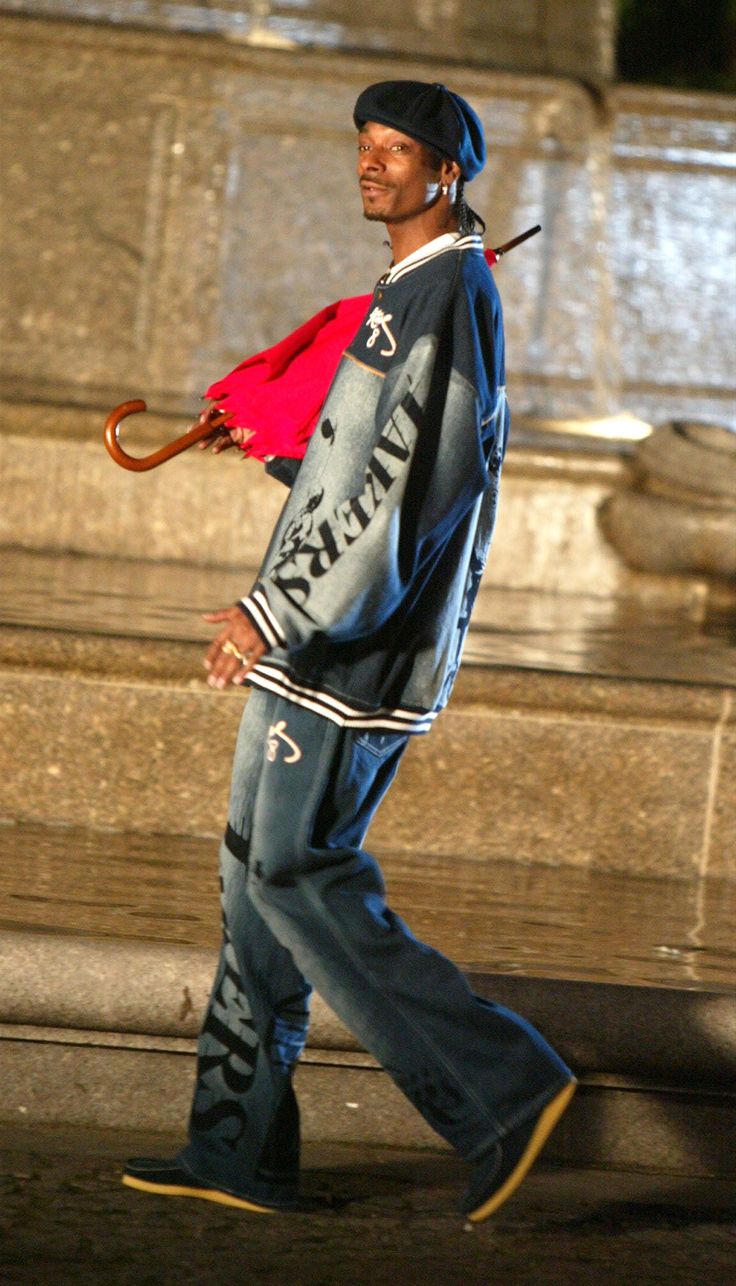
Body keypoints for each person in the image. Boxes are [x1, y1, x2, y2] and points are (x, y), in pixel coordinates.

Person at [122, 79, 575, 1224]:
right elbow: (371, 462)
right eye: (364, 145)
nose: (371, 163)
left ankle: (506, 1089)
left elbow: (403, 499)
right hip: (318, 638)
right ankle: (238, 1149)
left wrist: (270, 610)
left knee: (295, 871)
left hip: (348, 651)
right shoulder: (411, 292)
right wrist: (278, 448)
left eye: (397, 149)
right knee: (251, 887)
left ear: (448, 173)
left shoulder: (442, 296)